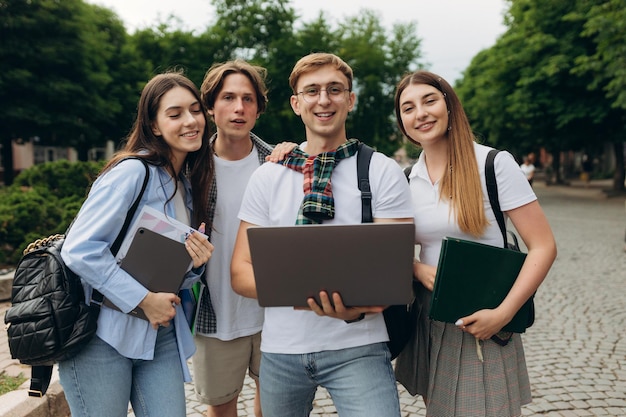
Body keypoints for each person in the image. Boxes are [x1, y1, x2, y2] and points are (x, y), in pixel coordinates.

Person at [230, 52, 414, 417]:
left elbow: (394, 275)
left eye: (335, 89)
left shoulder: (380, 171)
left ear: (351, 99)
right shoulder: (268, 176)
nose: (324, 99)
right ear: (297, 104)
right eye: (311, 91)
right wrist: (306, 291)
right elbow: (239, 272)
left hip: (360, 344)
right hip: (282, 348)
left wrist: (354, 309)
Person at [392, 70, 557, 417]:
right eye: (408, 108)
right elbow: (390, 253)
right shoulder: (407, 178)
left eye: (429, 100)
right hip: (428, 313)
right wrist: (418, 269)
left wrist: (503, 314)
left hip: (484, 314)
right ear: (402, 122)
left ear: (450, 105)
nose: (420, 113)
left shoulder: (493, 164)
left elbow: (543, 246)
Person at [59, 71, 215, 417]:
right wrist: (144, 301)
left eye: (195, 110)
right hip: (100, 335)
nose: (190, 121)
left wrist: (195, 265)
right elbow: (79, 248)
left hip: (159, 336)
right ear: (155, 126)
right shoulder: (131, 172)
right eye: (175, 114)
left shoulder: (185, 184)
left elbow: (165, 273)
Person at [192, 59, 274, 417]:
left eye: (248, 99)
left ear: (258, 108)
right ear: (210, 108)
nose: (239, 108)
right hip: (215, 311)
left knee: (273, 408)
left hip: (274, 310)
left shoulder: (280, 164)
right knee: (220, 410)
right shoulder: (189, 167)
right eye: (228, 98)